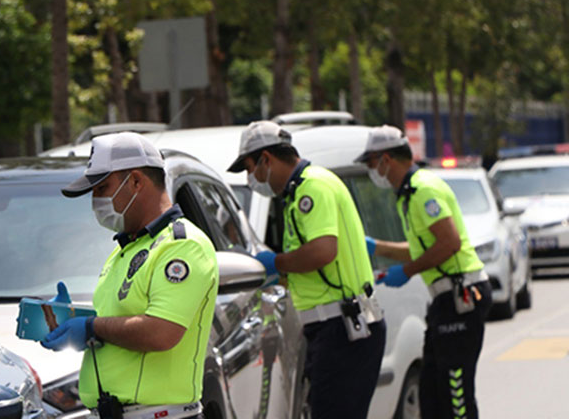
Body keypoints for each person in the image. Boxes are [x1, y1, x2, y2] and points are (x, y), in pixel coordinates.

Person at [40, 132, 218, 419]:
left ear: (136, 181)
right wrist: (72, 318)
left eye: (102, 188)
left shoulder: (182, 246)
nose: (95, 201)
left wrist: (91, 327)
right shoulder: (125, 249)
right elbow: (119, 318)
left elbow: (161, 331)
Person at [227, 120, 386, 419]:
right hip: (334, 327)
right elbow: (314, 269)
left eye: (250, 168)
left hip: (341, 327)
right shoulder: (297, 193)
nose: (251, 178)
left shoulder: (311, 187)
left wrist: (275, 263)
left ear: (266, 159)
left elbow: (323, 251)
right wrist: (280, 276)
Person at [359, 125, 491, 419]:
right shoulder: (408, 195)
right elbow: (421, 248)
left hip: (462, 296)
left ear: (386, 159)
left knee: (456, 395)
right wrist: (378, 248)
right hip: (445, 302)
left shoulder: (423, 190)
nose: (372, 172)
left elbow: (450, 243)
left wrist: (407, 271)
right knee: (432, 395)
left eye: (371, 164)